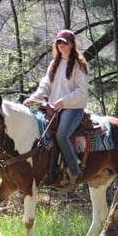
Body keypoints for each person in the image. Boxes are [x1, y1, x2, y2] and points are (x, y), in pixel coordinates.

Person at [24, 29, 89, 187]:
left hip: (73, 109)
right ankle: (49, 171)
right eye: (58, 42)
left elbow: (82, 91)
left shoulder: (79, 65)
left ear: (72, 45)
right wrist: (33, 98)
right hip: (54, 108)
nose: (61, 45)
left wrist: (63, 102)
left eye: (64, 42)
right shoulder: (55, 63)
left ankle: (75, 171)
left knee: (61, 134)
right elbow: (45, 86)